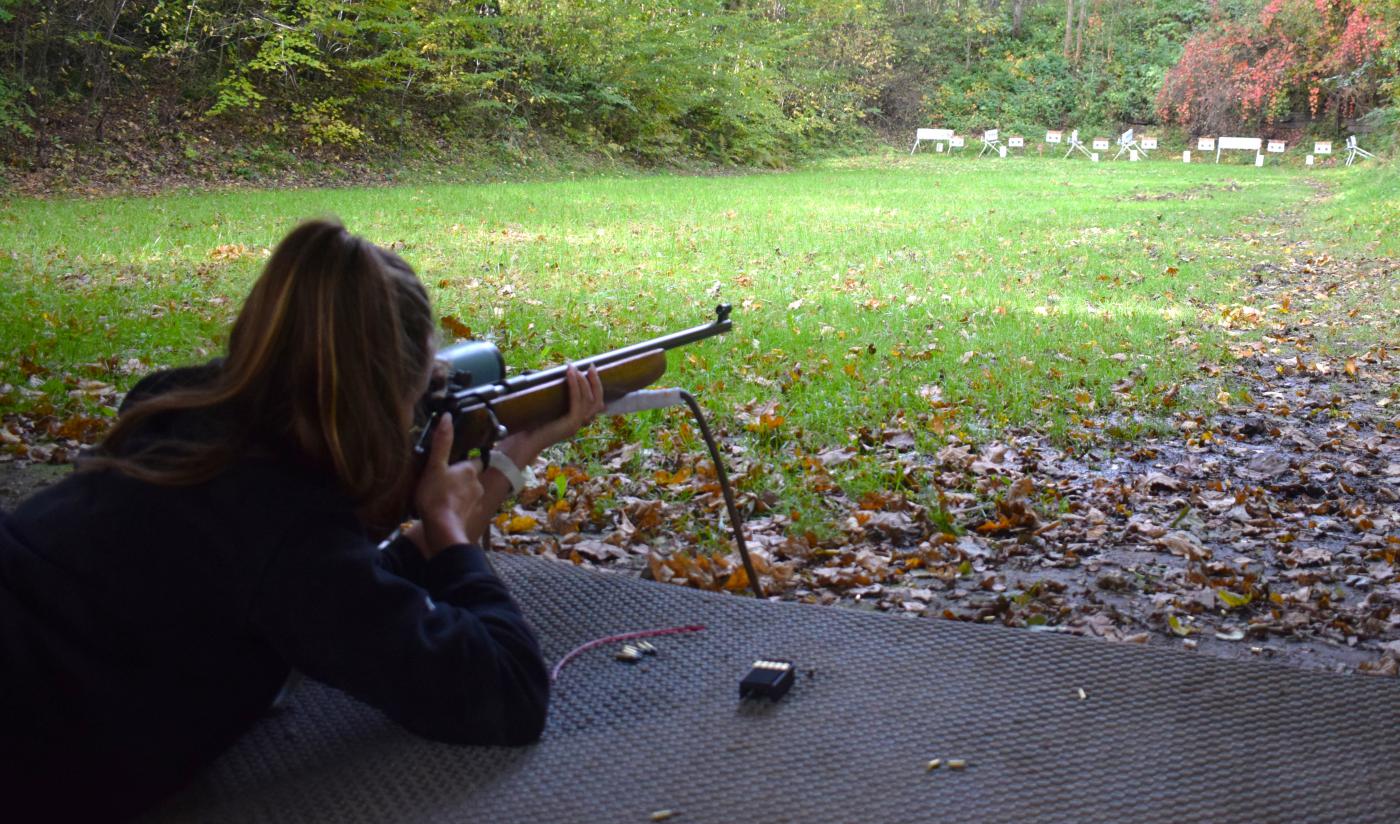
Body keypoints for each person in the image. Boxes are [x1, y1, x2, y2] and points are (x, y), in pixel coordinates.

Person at [0, 219, 605, 821]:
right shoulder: (284, 525)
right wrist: (447, 528)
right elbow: (510, 693)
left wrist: (505, 464)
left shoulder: (177, 414)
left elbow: (342, 594)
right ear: (382, 403)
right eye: (417, 396)